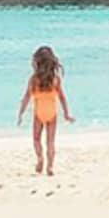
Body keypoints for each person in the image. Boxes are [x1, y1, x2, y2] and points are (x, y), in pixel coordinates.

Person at [16, 44, 73, 175]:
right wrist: (66, 114)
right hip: (52, 115)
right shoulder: (55, 80)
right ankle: (50, 166)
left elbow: (26, 98)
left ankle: (40, 158)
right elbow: (62, 98)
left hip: (38, 114)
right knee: (50, 142)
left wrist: (21, 113)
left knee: (36, 139)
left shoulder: (34, 80)